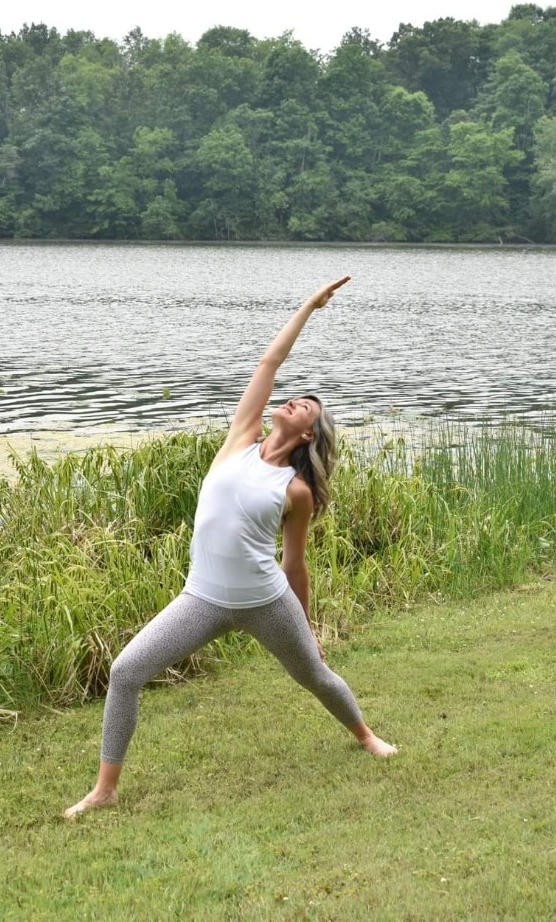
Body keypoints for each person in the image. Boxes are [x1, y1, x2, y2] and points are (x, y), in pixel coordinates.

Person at [64, 275, 397, 819]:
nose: (291, 401)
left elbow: (294, 563)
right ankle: (105, 789)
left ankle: (365, 736)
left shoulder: (296, 490)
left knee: (314, 675)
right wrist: (309, 307)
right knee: (125, 672)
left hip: (266, 602)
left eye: (303, 405)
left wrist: (307, 626)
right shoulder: (241, 440)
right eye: (292, 398)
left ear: (309, 433)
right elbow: (269, 364)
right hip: (203, 599)